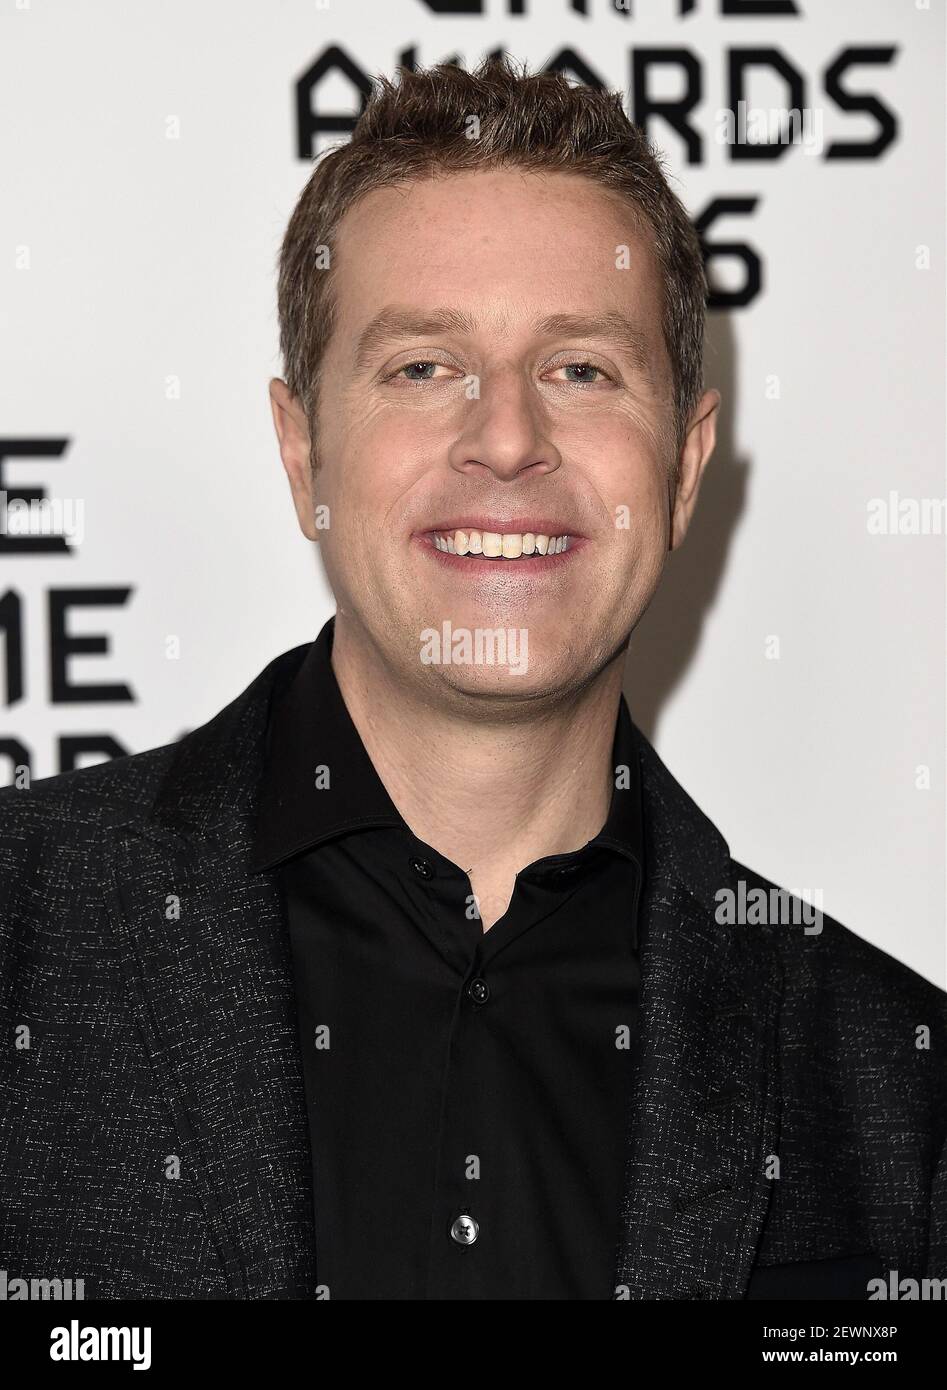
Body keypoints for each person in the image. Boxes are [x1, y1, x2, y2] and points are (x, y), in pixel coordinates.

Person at [1, 55, 944, 1302]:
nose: (505, 438)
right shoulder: (27, 925)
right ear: (303, 454)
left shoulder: (890, 1084)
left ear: (683, 466)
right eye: (422, 366)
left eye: (580, 369)